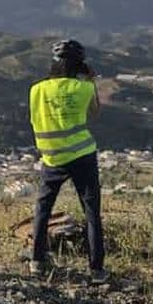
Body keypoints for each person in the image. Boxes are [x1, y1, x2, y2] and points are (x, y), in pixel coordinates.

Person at [29, 39, 107, 284]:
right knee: (91, 211)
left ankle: (37, 261)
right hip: (82, 155)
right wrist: (91, 81)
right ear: (79, 65)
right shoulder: (82, 88)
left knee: (43, 207)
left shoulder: (36, 89)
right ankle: (96, 270)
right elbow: (93, 114)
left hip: (51, 156)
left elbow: (35, 118)